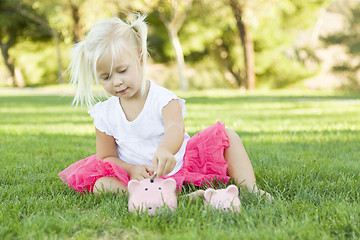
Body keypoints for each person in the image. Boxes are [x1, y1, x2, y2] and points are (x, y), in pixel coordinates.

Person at [58, 14, 272, 200]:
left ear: (140, 59)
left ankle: (251, 189)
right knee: (102, 185)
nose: (116, 82)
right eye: (106, 77)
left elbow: (175, 129)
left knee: (228, 136)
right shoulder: (105, 114)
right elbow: (105, 157)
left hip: (178, 163)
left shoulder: (162, 99)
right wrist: (132, 169)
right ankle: (163, 196)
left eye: (122, 71)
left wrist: (165, 150)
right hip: (137, 175)